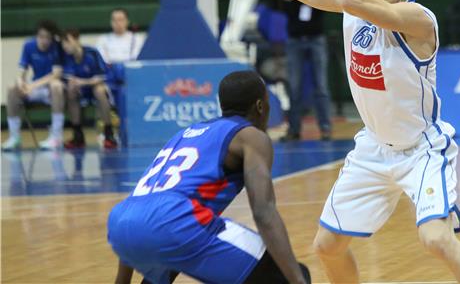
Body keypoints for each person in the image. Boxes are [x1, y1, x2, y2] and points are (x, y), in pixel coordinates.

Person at [272, 0, 460, 283]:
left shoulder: (417, 19)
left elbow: (353, 0)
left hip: (420, 149)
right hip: (373, 148)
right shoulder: (352, 5)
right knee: (327, 246)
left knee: (436, 240)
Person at [107, 70, 310, 284]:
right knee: (289, 274)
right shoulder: (250, 136)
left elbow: (144, 212)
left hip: (121, 222)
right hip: (173, 221)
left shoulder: (185, 134)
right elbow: (263, 211)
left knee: (176, 247)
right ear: (261, 106)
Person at [281, 0, 332, 141]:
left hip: (315, 38)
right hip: (295, 39)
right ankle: (294, 129)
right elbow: (286, 8)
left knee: (321, 85)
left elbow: (322, 7)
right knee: (294, 86)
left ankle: (325, 127)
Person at [2, 20, 65, 151]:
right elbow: (22, 70)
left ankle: (56, 137)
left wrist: (32, 86)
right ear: (37, 35)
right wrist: (20, 82)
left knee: (56, 85)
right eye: (41, 37)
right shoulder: (28, 45)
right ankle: (14, 137)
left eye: (48, 37)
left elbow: (56, 74)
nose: (44, 40)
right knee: (11, 88)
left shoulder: (57, 46)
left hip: (50, 90)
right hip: (36, 89)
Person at [61, 29, 117, 150]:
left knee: (100, 90)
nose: (65, 45)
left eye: (68, 41)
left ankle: (109, 134)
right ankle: (78, 135)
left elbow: (101, 77)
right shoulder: (66, 57)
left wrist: (82, 82)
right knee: (70, 90)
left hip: (95, 86)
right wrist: (75, 83)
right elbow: (69, 79)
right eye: (63, 42)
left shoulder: (92, 53)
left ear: (76, 40)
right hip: (81, 90)